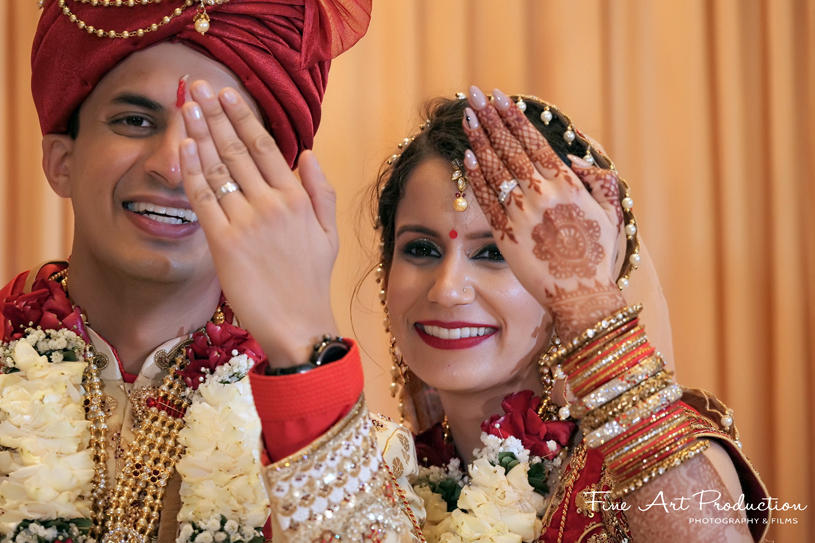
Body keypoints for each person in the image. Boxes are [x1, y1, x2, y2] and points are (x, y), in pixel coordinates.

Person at [0, 1, 380, 541]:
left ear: (270, 188)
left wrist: (304, 347)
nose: (173, 166)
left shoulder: (354, 448)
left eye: (217, 137)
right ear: (61, 161)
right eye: (135, 121)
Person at [363, 89, 771, 543]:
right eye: (421, 249)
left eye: (495, 252)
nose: (446, 289)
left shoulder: (640, 468)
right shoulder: (378, 484)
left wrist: (587, 303)